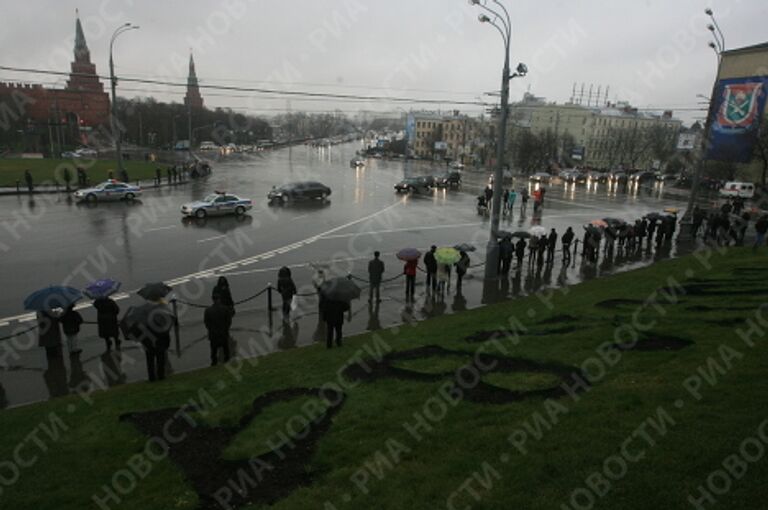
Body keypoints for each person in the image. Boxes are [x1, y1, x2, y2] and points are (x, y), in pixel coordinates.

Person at [204, 295, 232, 365]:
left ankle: (214, 363)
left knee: (213, 351)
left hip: (213, 334)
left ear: (213, 300)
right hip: (223, 332)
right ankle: (227, 361)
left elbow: (206, 323)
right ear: (219, 299)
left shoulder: (208, 310)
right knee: (226, 349)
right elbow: (229, 321)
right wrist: (225, 328)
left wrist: (211, 329)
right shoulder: (225, 309)